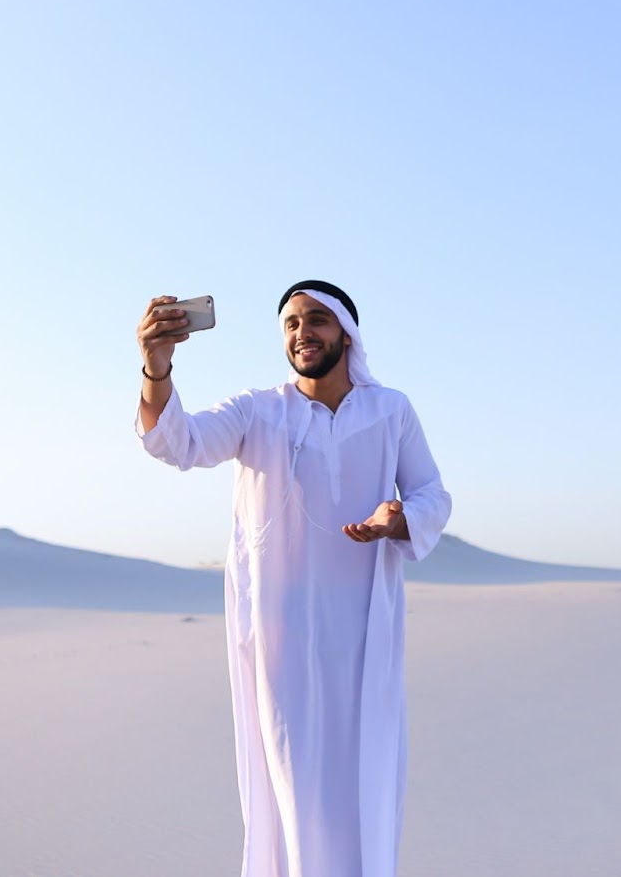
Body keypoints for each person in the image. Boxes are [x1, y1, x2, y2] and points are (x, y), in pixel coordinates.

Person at [135, 280, 452, 877]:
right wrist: (157, 368)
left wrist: (401, 517)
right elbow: (177, 443)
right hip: (282, 641)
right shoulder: (259, 411)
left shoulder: (391, 411)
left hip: (363, 637)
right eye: (290, 324)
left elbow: (433, 492)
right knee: (292, 785)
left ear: (347, 333)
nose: (302, 333)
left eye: (315, 320)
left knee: (366, 782)